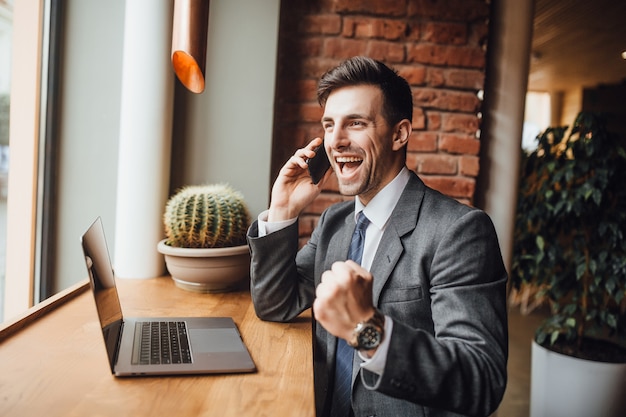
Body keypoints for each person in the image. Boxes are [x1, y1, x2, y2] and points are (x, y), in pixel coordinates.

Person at [247, 56, 508, 417]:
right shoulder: (335, 221)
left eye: (355, 123)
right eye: (329, 125)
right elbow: (276, 305)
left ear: (399, 134)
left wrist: (366, 329)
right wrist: (283, 211)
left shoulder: (459, 232)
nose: (335, 141)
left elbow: (481, 379)